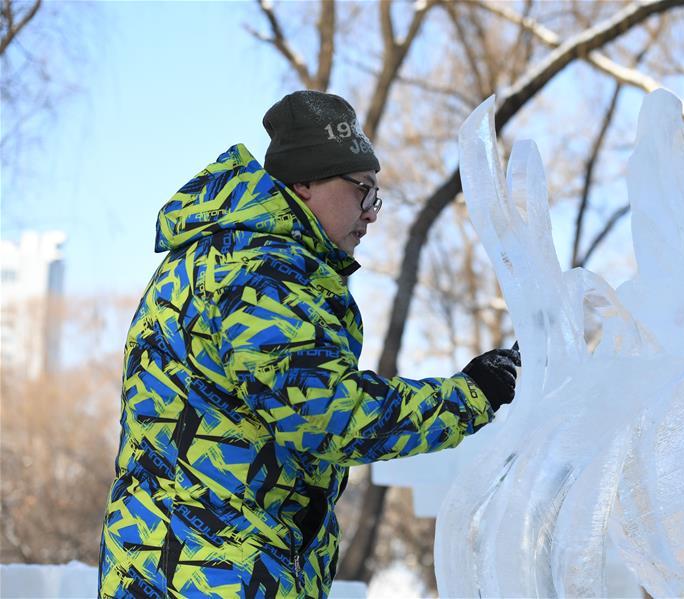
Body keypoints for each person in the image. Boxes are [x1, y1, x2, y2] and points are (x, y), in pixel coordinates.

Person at [98, 91, 520, 598]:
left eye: (376, 195)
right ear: (305, 183)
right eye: (362, 190)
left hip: (181, 567)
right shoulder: (260, 272)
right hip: (213, 576)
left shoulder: (223, 254)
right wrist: (473, 394)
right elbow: (325, 416)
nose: (372, 212)